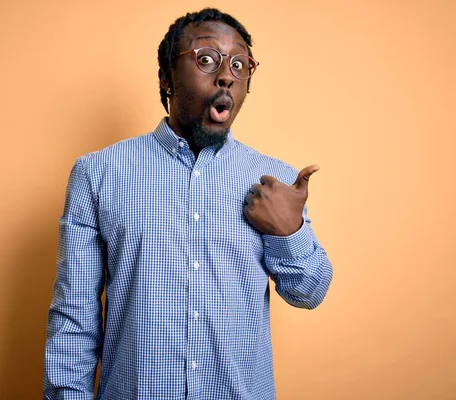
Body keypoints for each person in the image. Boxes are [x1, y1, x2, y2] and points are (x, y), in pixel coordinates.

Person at [43, 7, 333, 400]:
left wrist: (290, 232)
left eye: (240, 64)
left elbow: (309, 292)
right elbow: (73, 320)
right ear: (167, 78)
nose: (227, 75)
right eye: (207, 59)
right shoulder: (97, 173)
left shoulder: (273, 179)